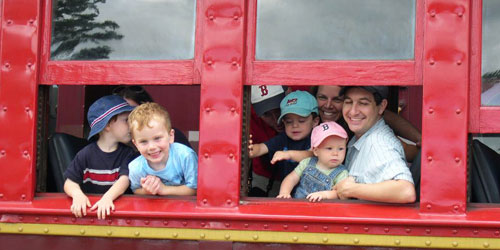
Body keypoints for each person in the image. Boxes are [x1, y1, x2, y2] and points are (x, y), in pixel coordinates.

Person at [334, 86, 416, 203]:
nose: (353, 111)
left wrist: (351, 189)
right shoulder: (362, 136)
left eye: (363, 103)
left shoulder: (378, 143)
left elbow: (406, 191)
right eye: (348, 102)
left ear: (381, 106)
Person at [63, 95, 137, 219]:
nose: (131, 125)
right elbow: (69, 182)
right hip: (92, 213)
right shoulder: (85, 154)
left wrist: (107, 198)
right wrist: (77, 195)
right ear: (107, 125)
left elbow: (124, 180)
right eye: (126, 120)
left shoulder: (128, 153)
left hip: (119, 213)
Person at [311, 85, 421, 162]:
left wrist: (421, 140)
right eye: (322, 97)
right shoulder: (305, 117)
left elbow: (384, 115)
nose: (328, 105)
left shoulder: (356, 123)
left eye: (337, 100)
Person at [127, 102, 198, 196]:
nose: (151, 147)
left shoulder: (185, 156)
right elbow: (135, 190)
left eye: (157, 138)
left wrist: (163, 189)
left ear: (170, 136)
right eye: (144, 141)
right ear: (135, 144)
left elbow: (195, 189)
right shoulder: (135, 167)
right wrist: (147, 191)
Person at [249, 90, 320, 182]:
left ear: (315, 121)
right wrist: (250, 150)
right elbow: (261, 148)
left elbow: (314, 156)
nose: (295, 126)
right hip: (288, 192)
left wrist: (289, 154)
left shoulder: (319, 136)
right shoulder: (283, 138)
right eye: (289, 121)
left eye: (301, 121)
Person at [277, 121, 348, 202]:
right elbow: (291, 178)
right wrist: (284, 192)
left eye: (341, 149)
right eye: (329, 148)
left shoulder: (341, 173)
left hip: (322, 212)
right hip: (298, 207)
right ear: (316, 151)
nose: (335, 153)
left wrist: (324, 195)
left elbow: (339, 194)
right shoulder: (307, 163)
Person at [112, 85, 191, 148]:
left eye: (132, 111)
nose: (130, 118)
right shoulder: (119, 141)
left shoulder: (171, 135)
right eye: (123, 115)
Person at [248, 85, 286, 197]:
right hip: (264, 175)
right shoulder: (249, 116)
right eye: (267, 114)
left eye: (278, 110)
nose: (276, 120)